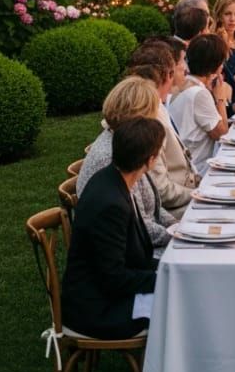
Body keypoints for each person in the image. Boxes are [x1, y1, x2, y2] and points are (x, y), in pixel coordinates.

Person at [62, 117, 164, 339]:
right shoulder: (111, 203)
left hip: (104, 293)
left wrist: (168, 267)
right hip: (95, 309)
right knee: (176, 308)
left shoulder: (114, 180)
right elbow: (114, 279)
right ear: (150, 160)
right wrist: (165, 278)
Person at [78, 77, 177, 250]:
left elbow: (152, 209)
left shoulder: (129, 144)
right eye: (154, 113)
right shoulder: (112, 156)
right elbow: (137, 226)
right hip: (132, 252)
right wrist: (177, 235)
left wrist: (176, 225)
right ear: (140, 116)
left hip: (143, 244)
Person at [126, 41, 200, 210]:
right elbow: (161, 191)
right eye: (182, 62)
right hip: (175, 207)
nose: (186, 69)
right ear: (168, 74)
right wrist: (201, 193)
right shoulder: (149, 116)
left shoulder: (159, 106)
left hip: (185, 192)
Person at [168, 33, 230, 174]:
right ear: (218, 66)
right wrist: (221, 99)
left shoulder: (184, 84)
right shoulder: (199, 94)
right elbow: (223, 136)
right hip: (198, 170)